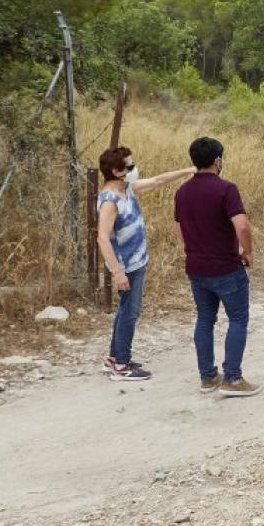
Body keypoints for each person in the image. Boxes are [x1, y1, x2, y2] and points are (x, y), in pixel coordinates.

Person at [94, 145, 191, 382]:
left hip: (137, 261)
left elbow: (158, 180)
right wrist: (118, 273)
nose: (134, 169)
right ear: (117, 171)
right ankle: (122, 365)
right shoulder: (109, 200)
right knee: (130, 312)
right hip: (125, 266)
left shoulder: (127, 189)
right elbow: (102, 238)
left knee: (125, 309)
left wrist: (188, 170)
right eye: (130, 166)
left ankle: (115, 356)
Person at [174, 135, 258, 397]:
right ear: (218, 160)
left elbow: (179, 228)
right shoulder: (226, 189)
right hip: (226, 267)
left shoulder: (182, 191)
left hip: (196, 267)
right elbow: (242, 225)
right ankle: (233, 378)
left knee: (205, 319)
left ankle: (208, 376)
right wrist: (248, 251)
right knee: (238, 318)